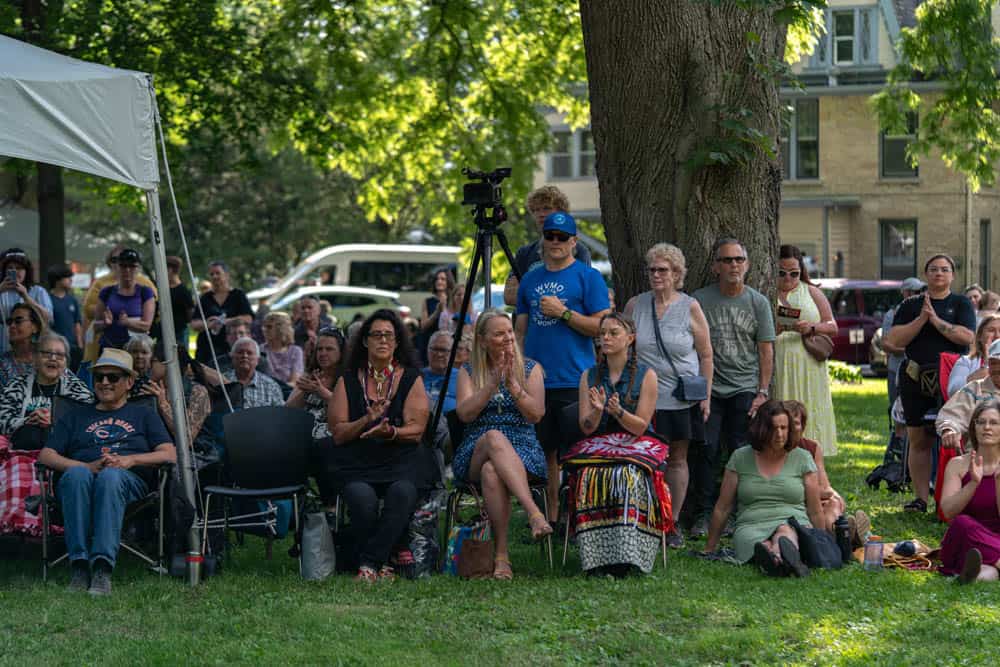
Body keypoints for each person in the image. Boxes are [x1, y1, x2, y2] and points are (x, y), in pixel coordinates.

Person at [38, 348, 175, 596]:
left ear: (129, 382)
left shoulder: (143, 414)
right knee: (77, 476)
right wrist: (85, 467)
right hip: (80, 478)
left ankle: (102, 568)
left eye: (113, 377)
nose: (104, 382)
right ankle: (79, 566)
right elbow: (46, 455)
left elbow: (169, 453)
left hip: (126, 481)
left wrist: (130, 460)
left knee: (110, 477)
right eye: (99, 377)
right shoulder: (76, 415)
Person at [515, 211, 610, 521]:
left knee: (576, 452)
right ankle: (551, 519)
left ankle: (579, 517)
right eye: (549, 236)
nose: (555, 242)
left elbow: (603, 328)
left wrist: (564, 313)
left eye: (561, 237)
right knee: (545, 455)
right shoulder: (530, 278)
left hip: (576, 379)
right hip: (536, 381)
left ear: (574, 242)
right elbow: (520, 330)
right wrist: (518, 368)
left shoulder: (588, 277)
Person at [327, 309, 431, 582]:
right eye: (376, 335)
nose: (383, 340)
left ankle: (370, 563)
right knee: (363, 501)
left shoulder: (410, 378)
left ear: (397, 342)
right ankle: (387, 558)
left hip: (402, 461)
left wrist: (392, 432)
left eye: (389, 335)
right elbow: (338, 433)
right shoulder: (347, 380)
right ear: (365, 341)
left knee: (402, 494)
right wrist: (366, 420)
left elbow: (417, 430)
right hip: (357, 463)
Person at [624, 243, 712, 549]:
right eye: (652, 269)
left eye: (663, 270)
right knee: (644, 460)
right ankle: (645, 517)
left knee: (676, 460)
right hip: (643, 400)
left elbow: (706, 355)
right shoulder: (635, 305)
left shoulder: (690, 307)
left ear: (677, 274)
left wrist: (706, 395)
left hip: (679, 398)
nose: (656, 275)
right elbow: (625, 348)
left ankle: (670, 523)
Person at [566, 313, 667, 575]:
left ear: (630, 339)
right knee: (590, 476)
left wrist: (618, 412)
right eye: (603, 334)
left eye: (613, 333)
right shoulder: (588, 376)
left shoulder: (647, 375)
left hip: (636, 444)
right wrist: (598, 412)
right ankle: (596, 559)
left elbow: (641, 426)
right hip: (599, 446)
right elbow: (585, 428)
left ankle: (628, 555)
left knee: (627, 475)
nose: (606, 338)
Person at [453, 309, 550, 579]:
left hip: (523, 448)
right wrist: (492, 384)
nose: (507, 338)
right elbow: (465, 414)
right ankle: (533, 512)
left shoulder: (530, 368)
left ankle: (502, 557)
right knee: (494, 437)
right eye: (499, 333)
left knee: (492, 472)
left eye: (509, 331)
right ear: (483, 340)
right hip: (476, 446)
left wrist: (512, 385)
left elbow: (536, 414)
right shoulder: (469, 371)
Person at [689, 238, 775, 538]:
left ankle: (739, 513)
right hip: (709, 388)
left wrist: (762, 392)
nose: (733, 265)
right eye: (727, 260)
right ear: (715, 266)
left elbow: (765, 351)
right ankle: (703, 512)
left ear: (748, 265)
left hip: (744, 388)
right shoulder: (699, 299)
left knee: (741, 451)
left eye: (739, 260)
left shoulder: (758, 302)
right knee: (706, 449)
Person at [885, 254, 976, 513]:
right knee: (919, 439)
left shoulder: (961, 303)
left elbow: (966, 337)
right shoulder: (912, 305)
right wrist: (922, 320)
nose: (939, 273)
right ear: (926, 274)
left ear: (952, 275)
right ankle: (921, 498)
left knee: (955, 436)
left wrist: (936, 321)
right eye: (934, 269)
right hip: (914, 376)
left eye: (944, 270)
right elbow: (894, 340)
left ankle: (951, 497)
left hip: (952, 378)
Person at [703, 400, 823, 577]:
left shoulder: (803, 458)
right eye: (773, 428)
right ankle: (781, 559)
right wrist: (710, 547)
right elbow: (723, 507)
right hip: (751, 526)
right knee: (761, 544)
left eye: (784, 428)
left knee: (785, 530)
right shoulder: (740, 458)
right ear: (761, 429)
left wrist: (821, 543)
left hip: (792, 520)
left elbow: (815, 510)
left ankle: (776, 558)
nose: (779, 434)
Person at [0, 334, 92, 538]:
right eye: (47, 353)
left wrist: (55, 420)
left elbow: (87, 422)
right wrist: (28, 419)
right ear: (35, 358)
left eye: (59, 355)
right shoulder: (17, 385)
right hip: (21, 451)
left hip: (59, 452)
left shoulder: (77, 389)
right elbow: (3, 420)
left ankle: (47, 524)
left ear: (66, 361)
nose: (53, 359)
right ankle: (17, 523)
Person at [772, 244, 838, 456]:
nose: (788, 278)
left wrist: (812, 327)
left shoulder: (811, 291)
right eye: (782, 273)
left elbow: (832, 326)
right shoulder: (767, 291)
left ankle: (811, 457)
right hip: (778, 359)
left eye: (794, 273)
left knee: (807, 406)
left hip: (807, 363)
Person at [938, 400, 1000, 583]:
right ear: (974, 427)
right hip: (963, 540)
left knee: (987, 572)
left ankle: (972, 576)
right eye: (981, 422)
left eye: (994, 422)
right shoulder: (957, 464)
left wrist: (998, 481)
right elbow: (948, 512)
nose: (986, 427)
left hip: (993, 543)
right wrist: (973, 483)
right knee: (963, 523)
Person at [503, 185, 592, 307]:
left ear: (561, 212)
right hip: (527, 324)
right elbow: (510, 297)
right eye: (536, 210)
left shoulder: (578, 250)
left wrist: (528, 291)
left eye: (546, 208)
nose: (541, 214)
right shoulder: (524, 253)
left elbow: (579, 296)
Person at [287, 327, 344, 506]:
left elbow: (346, 409)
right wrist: (305, 392)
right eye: (319, 349)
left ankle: (329, 504)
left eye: (329, 349)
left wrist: (322, 392)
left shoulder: (347, 379)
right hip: (302, 438)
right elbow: (288, 410)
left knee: (322, 448)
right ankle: (291, 506)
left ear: (341, 352)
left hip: (332, 440)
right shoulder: (309, 375)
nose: (323, 353)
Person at [81, 245, 157, 366]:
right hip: (110, 349)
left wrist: (128, 322)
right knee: (107, 383)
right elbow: (95, 324)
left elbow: (146, 326)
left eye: (132, 266)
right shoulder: (106, 291)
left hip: (135, 353)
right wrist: (105, 324)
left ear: (138, 268)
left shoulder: (145, 291)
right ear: (117, 266)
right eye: (123, 266)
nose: (127, 270)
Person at [937, 339, 1000, 446]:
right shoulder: (974, 389)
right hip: (979, 454)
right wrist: (949, 430)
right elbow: (952, 415)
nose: (998, 368)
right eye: (994, 363)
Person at [192, 261, 253, 364]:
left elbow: (248, 318)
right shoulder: (205, 298)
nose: (215, 276)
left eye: (217, 273)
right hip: (207, 347)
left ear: (227, 275)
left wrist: (226, 321)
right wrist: (208, 324)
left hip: (232, 346)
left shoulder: (238, 295)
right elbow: (194, 324)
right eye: (211, 274)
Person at [881, 277, 927, 412]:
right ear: (905, 293)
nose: (919, 295)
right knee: (896, 408)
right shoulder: (892, 314)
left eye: (921, 291)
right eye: (915, 291)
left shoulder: (926, 312)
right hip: (896, 368)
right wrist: (909, 350)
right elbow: (886, 344)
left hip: (921, 370)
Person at [1, 247, 53, 355]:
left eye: (19, 268)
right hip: (4, 346)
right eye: (10, 268)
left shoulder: (38, 291)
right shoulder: (2, 291)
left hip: (33, 349)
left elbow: (49, 319)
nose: (14, 271)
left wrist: (26, 297)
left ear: (27, 271)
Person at [422, 330, 460, 454]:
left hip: (452, 434)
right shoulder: (416, 377)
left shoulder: (463, 378)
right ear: (427, 350)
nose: (438, 354)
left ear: (453, 353)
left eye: (443, 350)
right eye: (434, 349)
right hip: (422, 433)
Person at [947, 315, 1000, 399]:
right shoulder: (966, 361)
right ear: (979, 337)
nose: (997, 335)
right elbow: (953, 392)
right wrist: (986, 365)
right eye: (991, 330)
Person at [226, 337, 284, 408]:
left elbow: (280, 415)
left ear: (258, 360)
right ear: (232, 357)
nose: (245, 356)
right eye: (240, 352)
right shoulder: (222, 382)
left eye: (249, 353)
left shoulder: (271, 386)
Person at [150, 255, 195, 347]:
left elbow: (190, 315)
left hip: (179, 333)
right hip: (161, 334)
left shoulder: (183, 291)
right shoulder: (160, 289)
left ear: (170, 270)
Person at [46, 264, 83, 368]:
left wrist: (80, 346)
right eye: (67, 277)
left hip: (72, 348)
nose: (71, 280)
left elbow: (77, 324)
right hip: (55, 349)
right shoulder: (47, 300)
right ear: (57, 280)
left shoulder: (72, 300)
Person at [0, 302, 45, 386]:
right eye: (10, 322)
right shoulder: (2, 363)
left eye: (18, 321)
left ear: (35, 327)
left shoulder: (49, 359)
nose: (12, 326)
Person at [417, 268, 455, 364]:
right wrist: (437, 312)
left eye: (443, 279)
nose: (439, 281)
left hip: (448, 345)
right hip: (430, 343)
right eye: (437, 279)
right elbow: (423, 326)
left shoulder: (454, 301)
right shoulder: (427, 301)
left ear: (448, 282)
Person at [261, 311, 304, 386]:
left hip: (287, 391)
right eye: (264, 327)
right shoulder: (261, 349)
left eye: (269, 327)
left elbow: (295, 381)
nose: (264, 330)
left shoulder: (295, 351)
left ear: (281, 329)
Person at [293, 295, 333, 363]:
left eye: (310, 307)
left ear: (319, 310)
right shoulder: (293, 334)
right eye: (303, 308)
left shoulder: (330, 331)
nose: (306, 311)